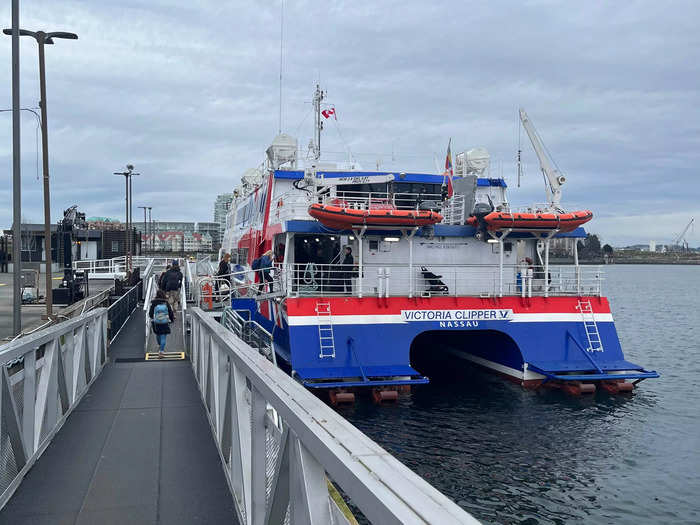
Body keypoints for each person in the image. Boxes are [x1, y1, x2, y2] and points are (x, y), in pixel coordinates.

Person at [148, 289, 174, 358]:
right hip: (164, 322)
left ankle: (159, 345)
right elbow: (170, 312)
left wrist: (152, 318)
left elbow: (150, 313)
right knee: (163, 337)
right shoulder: (166, 302)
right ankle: (161, 351)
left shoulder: (154, 303)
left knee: (158, 334)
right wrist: (171, 319)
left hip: (156, 322)